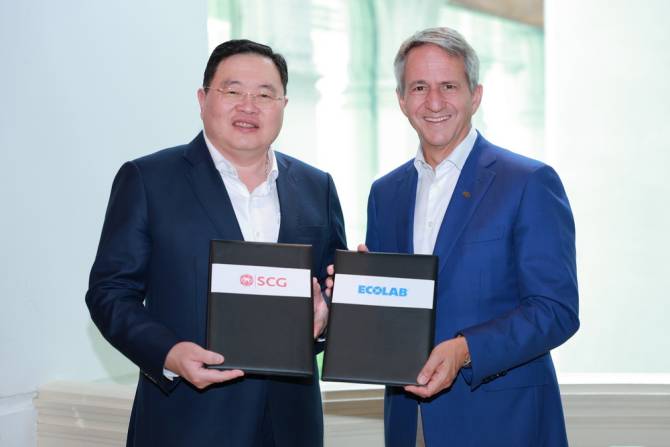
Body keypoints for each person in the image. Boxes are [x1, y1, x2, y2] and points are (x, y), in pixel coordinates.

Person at [86, 39, 346, 447]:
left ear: (283, 105)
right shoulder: (149, 180)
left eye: (265, 95)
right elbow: (110, 293)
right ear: (203, 99)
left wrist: (328, 311)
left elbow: (332, 286)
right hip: (187, 420)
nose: (249, 106)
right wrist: (170, 353)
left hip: (290, 424)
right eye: (233, 91)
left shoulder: (317, 187)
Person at [363, 27, 579, 446]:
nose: (434, 102)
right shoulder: (385, 194)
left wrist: (465, 349)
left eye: (449, 86)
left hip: (504, 425)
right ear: (402, 100)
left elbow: (556, 310)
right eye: (419, 87)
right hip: (410, 423)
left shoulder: (529, 182)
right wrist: (358, 295)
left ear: (475, 96)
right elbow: (391, 316)